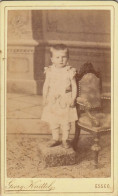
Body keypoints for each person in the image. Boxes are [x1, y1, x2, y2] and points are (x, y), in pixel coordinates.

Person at [41, 44, 78, 149]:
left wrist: (73, 99)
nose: (61, 60)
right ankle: (55, 138)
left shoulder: (69, 71)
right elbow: (46, 85)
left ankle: (65, 139)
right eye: (57, 57)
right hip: (53, 100)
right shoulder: (50, 70)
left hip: (66, 99)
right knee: (54, 120)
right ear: (52, 59)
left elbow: (74, 87)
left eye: (64, 57)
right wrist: (44, 98)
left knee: (65, 121)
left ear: (68, 58)